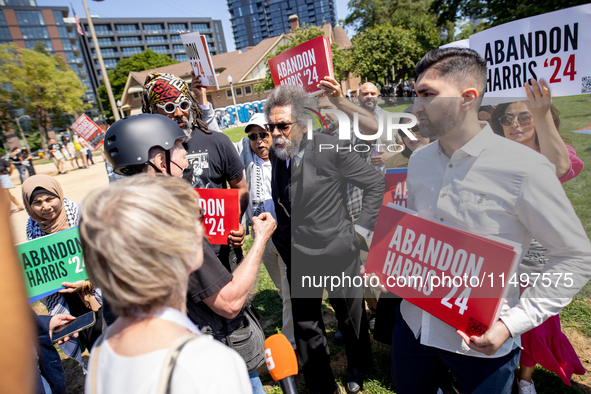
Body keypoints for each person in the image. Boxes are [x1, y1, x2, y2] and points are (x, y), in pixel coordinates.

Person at [392, 47, 591, 394]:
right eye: (415, 94)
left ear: (467, 98)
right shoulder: (419, 161)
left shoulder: (524, 168)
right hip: (413, 325)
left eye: (427, 95)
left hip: (482, 341)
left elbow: (576, 257)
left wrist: (510, 324)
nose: (415, 107)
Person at [104, 114, 276, 393]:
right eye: (179, 146)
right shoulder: (170, 222)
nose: (186, 154)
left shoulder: (125, 215)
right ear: (160, 162)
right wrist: (260, 240)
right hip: (210, 360)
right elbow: (228, 301)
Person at [81, 175, 252, 394]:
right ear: (184, 250)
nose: (202, 229)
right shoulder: (210, 363)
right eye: (196, 220)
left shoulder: (101, 349)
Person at [266, 83, 385, 394]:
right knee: (306, 323)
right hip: (299, 254)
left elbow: (374, 183)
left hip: (337, 249)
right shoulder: (279, 156)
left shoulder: (332, 148)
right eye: (271, 126)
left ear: (303, 124)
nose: (275, 133)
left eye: (283, 125)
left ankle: (359, 364)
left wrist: (360, 231)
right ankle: (320, 380)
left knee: (349, 314)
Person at [491, 79, 585, 394]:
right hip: (500, 249)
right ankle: (500, 369)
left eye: (524, 117)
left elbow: (559, 167)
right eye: (507, 119)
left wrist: (541, 112)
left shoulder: (552, 153)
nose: (514, 124)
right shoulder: (493, 153)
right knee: (498, 313)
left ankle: (525, 379)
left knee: (536, 317)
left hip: (537, 253)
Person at [141, 72, 248, 274]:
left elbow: (240, 188)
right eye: (170, 107)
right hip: (177, 260)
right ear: (153, 111)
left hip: (222, 254)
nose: (179, 113)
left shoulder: (216, 141)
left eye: (184, 104)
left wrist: (236, 223)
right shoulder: (147, 153)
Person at [21, 174, 104, 367]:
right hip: (68, 301)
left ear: (59, 194)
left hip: (99, 295)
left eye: (50, 198)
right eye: (37, 202)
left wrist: (87, 282)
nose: (46, 207)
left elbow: (110, 258)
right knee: (95, 348)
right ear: (28, 205)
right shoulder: (33, 229)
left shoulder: (85, 217)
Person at [234, 113, 295, 347]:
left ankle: (291, 342)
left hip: (283, 235)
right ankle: (297, 322)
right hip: (263, 238)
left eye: (264, 134)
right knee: (283, 290)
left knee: (289, 294)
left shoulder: (284, 161)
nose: (259, 140)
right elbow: (217, 139)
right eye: (253, 136)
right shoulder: (248, 162)